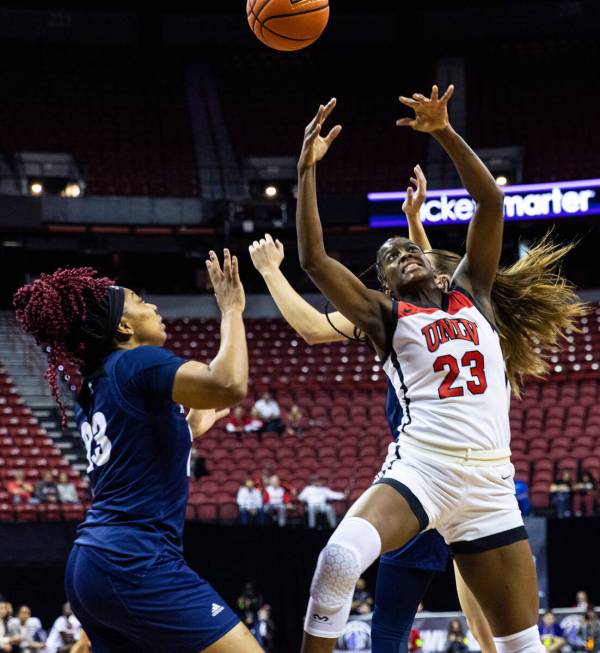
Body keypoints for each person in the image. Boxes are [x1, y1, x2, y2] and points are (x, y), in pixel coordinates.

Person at [293, 87, 583, 653]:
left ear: (427, 260)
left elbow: (491, 204)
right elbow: (313, 259)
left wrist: (445, 131)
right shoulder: (385, 315)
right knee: (337, 560)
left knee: (522, 644)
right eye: (385, 260)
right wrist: (306, 171)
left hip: (491, 484)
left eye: (405, 248)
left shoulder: (474, 293)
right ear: (382, 285)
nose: (398, 254)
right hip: (423, 468)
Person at [13, 251, 264, 652]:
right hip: (135, 560)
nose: (153, 305)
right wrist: (231, 310)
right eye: (140, 302)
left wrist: (194, 424)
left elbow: (148, 444)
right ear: (125, 326)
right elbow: (230, 384)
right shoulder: (135, 363)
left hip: (91, 563)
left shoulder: (94, 387)